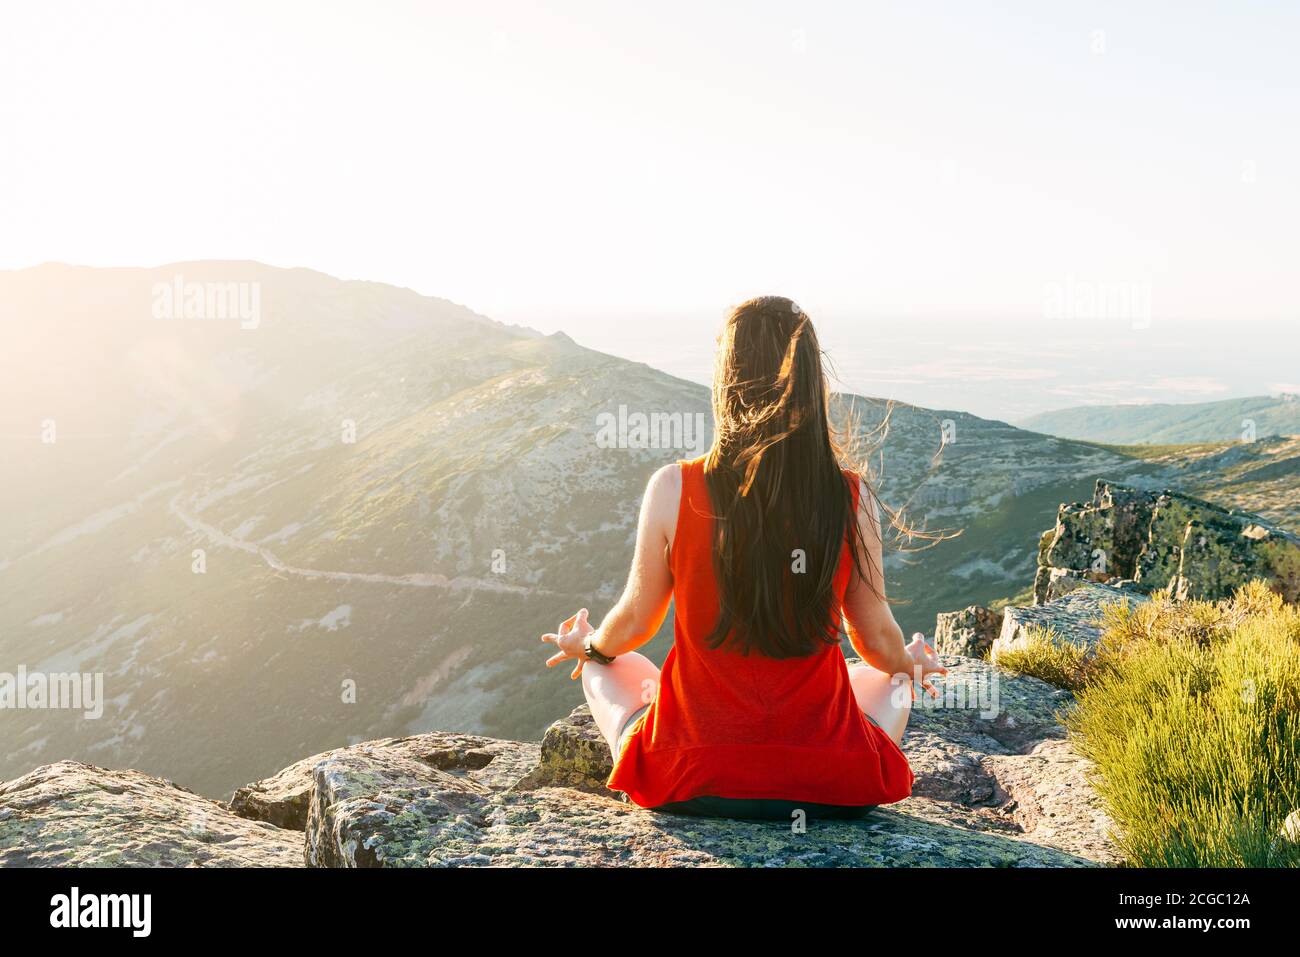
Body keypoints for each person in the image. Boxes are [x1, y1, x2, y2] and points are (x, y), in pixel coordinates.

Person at [541, 296, 945, 820]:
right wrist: (910, 664)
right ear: (809, 380)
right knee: (885, 682)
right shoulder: (848, 497)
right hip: (829, 786)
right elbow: (877, 643)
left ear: (726, 381)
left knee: (616, 666)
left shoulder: (674, 487)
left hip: (692, 780)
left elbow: (636, 623)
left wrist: (588, 646)